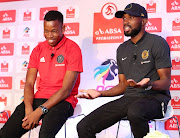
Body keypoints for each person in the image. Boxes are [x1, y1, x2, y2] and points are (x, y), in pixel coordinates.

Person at [76, 3, 171, 138]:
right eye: (124, 18)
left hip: (155, 99)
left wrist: (148, 84)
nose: (126, 22)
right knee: (84, 126)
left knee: (135, 111)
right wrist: (100, 93)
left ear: (143, 21)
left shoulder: (157, 43)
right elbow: (123, 85)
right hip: (129, 99)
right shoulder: (122, 49)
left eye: (131, 18)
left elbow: (166, 82)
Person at [0, 10, 83, 138]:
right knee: (5, 134)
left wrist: (39, 111)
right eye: (46, 31)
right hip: (39, 99)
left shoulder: (73, 49)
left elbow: (66, 90)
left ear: (63, 28)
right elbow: (29, 83)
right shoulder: (38, 49)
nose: (49, 35)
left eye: (54, 31)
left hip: (63, 101)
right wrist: (28, 108)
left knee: (45, 135)